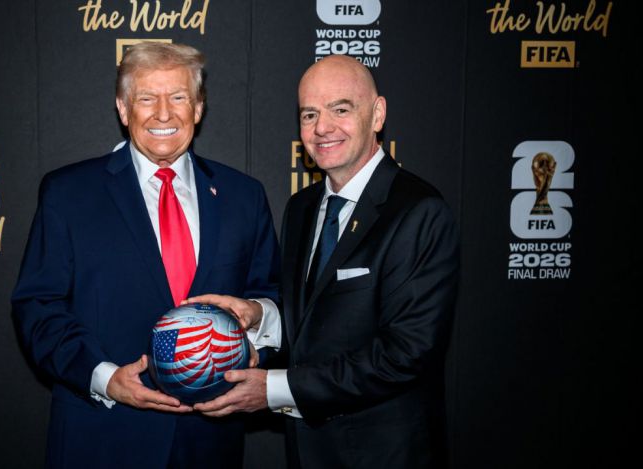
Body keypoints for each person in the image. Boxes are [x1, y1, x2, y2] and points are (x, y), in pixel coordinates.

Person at [11, 42, 281, 468]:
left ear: (198, 108)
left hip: (209, 443)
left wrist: (257, 324)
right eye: (146, 98)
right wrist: (104, 379)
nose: (163, 114)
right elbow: (38, 306)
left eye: (178, 97)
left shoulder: (243, 196)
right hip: (102, 437)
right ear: (123, 109)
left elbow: (272, 297)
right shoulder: (68, 193)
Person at [189, 55, 459, 468]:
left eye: (341, 109)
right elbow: (315, 322)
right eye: (309, 114)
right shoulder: (301, 207)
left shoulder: (418, 211)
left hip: (385, 455)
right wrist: (261, 316)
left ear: (377, 114)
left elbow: (404, 354)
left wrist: (274, 389)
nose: (322, 128)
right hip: (308, 451)